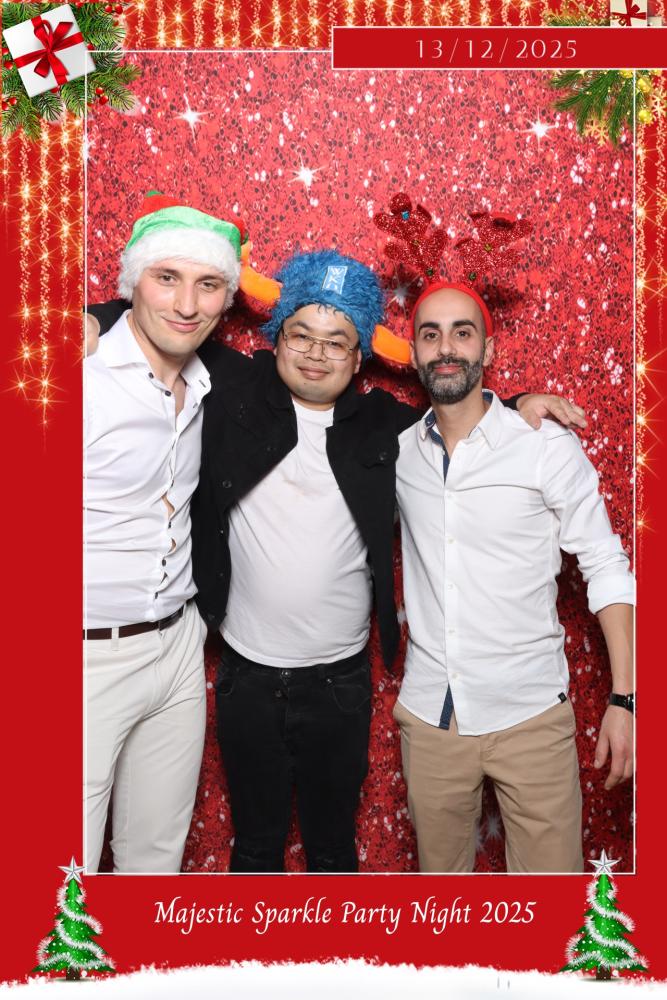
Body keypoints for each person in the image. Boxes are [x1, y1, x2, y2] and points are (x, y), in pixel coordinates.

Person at [89, 246, 585, 874]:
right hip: (246, 674)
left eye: (336, 342)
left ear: (359, 357)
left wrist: (516, 404)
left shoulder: (384, 425)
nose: (316, 353)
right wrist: (98, 317)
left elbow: (456, 414)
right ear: (277, 338)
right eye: (301, 335)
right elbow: (167, 323)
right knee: (255, 847)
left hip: (340, 683)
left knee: (332, 851)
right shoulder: (235, 389)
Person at [393, 282, 635, 874]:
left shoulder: (542, 446)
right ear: (413, 350)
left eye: (462, 333)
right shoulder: (397, 450)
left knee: (553, 908)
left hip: (530, 716)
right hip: (432, 719)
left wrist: (625, 699)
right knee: (440, 910)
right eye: (430, 334)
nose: (446, 348)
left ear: (489, 349)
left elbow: (606, 565)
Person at [84, 191, 250, 873]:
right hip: (80, 653)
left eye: (207, 285)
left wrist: (502, 404)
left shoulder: (215, 382)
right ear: (133, 283)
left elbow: (326, 384)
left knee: (154, 861)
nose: (186, 304)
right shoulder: (75, 371)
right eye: (167, 278)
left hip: (178, 647)